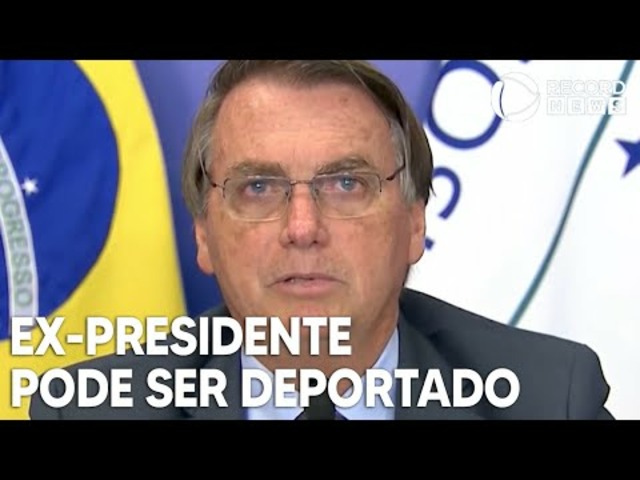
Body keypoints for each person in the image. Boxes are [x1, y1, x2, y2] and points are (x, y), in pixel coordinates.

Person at [28, 60, 614, 420]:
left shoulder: (546, 399)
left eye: (346, 184)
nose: (303, 228)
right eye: (258, 187)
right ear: (204, 233)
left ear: (414, 222)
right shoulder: (92, 412)